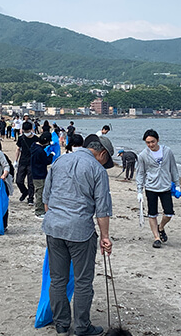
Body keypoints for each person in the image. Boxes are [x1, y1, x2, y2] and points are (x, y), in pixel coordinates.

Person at [42, 133, 114, 336]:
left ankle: (62, 324)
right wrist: (105, 236)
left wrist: (56, 220)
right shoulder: (97, 170)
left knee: (57, 279)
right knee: (83, 281)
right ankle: (82, 327)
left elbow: (46, 198)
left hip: (54, 228)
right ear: (102, 154)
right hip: (80, 231)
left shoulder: (60, 160)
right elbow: (102, 209)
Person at [136, 129, 180, 249]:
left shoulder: (167, 152)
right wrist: (139, 190)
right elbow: (140, 173)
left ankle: (161, 227)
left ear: (158, 140)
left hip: (165, 186)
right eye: (148, 142)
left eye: (152, 142)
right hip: (151, 187)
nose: (150, 145)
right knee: (152, 213)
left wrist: (177, 184)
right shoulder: (143, 155)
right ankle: (156, 238)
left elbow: (173, 168)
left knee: (169, 213)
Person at [30, 132, 54, 219]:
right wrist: (51, 155)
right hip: (39, 174)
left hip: (35, 173)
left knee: (40, 192)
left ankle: (41, 209)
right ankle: (39, 211)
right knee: (40, 193)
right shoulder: (40, 151)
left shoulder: (34, 147)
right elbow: (46, 161)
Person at [15, 121, 39, 205]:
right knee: (19, 180)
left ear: (31, 129)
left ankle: (30, 198)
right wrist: (16, 160)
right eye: (25, 131)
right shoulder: (21, 138)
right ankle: (25, 192)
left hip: (32, 162)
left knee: (30, 182)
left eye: (28, 131)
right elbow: (18, 149)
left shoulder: (35, 138)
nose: (26, 133)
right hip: (22, 161)